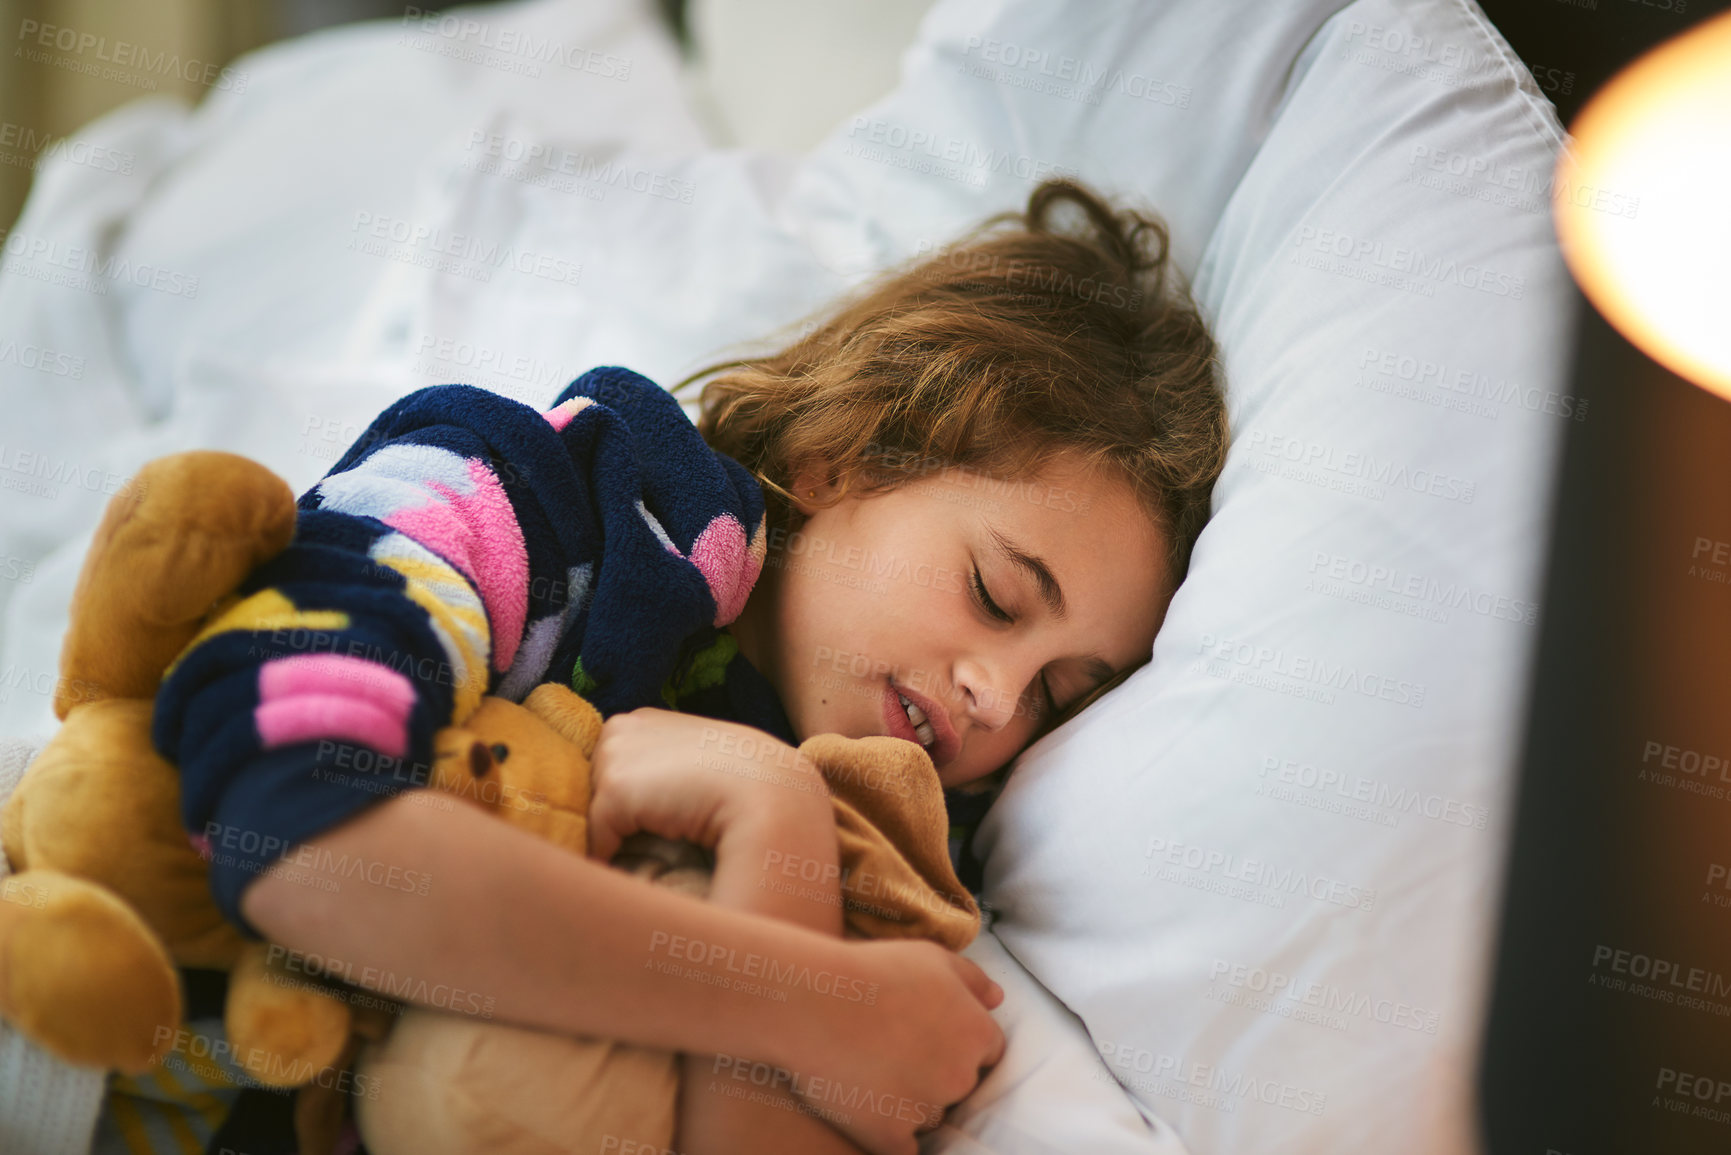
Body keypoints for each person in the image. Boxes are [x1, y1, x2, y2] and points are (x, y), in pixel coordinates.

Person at [141, 177, 1229, 1155]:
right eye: (995, 595)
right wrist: (809, 1001)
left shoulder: (898, 842)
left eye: (1058, 695)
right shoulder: (519, 496)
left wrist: (771, 816)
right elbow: (285, 820)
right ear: (850, 451)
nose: (998, 700)